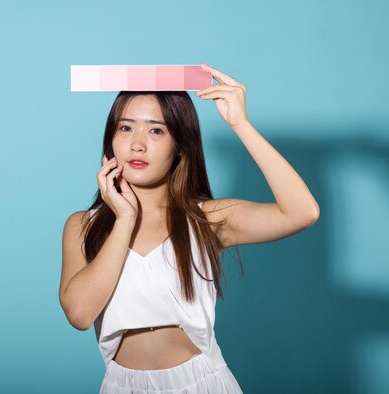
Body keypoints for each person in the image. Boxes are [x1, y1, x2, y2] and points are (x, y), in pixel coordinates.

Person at [59, 63, 320, 393]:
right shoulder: (83, 225)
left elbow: (302, 212)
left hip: (201, 383)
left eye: (156, 130)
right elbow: (80, 314)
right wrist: (124, 219)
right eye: (126, 128)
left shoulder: (206, 219)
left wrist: (240, 124)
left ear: (180, 145)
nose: (137, 144)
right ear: (110, 139)